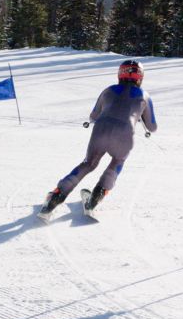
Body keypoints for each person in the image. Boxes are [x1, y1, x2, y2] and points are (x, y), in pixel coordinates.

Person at [41, 60, 158, 215]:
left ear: (119, 74)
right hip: (125, 134)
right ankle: (97, 196)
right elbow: (152, 127)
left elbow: (94, 115)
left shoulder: (109, 90)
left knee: (89, 163)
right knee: (117, 162)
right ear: (140, 77)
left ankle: (56, 196)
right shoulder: (145, 95)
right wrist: (140, 113)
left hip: (101, 129)